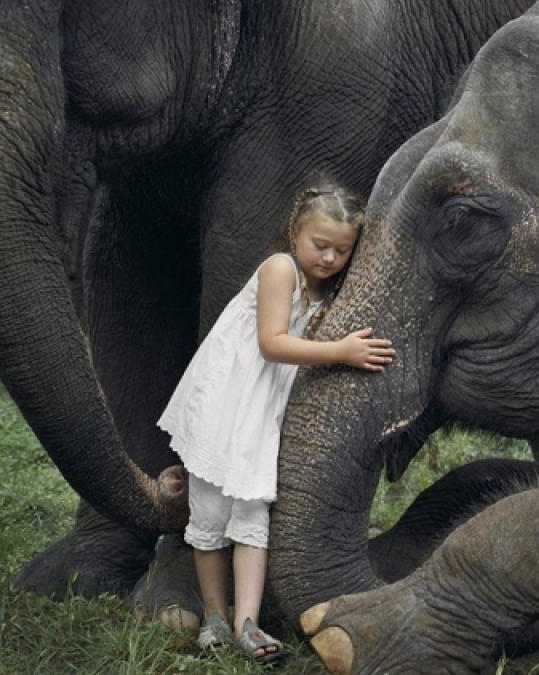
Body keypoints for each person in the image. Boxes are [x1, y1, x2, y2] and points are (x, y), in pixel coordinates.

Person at [157, 186, 394, 663]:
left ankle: (249, 622)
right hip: (227, 405)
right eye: (319, 244)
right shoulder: (280, 269)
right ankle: (215, 617)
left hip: (261, 414)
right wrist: (340, 352)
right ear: (295, 234)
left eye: (341, 250)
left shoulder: (325, 289)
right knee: (209, 514)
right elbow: (271, 342)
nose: (328, 257)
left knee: (251, 515)